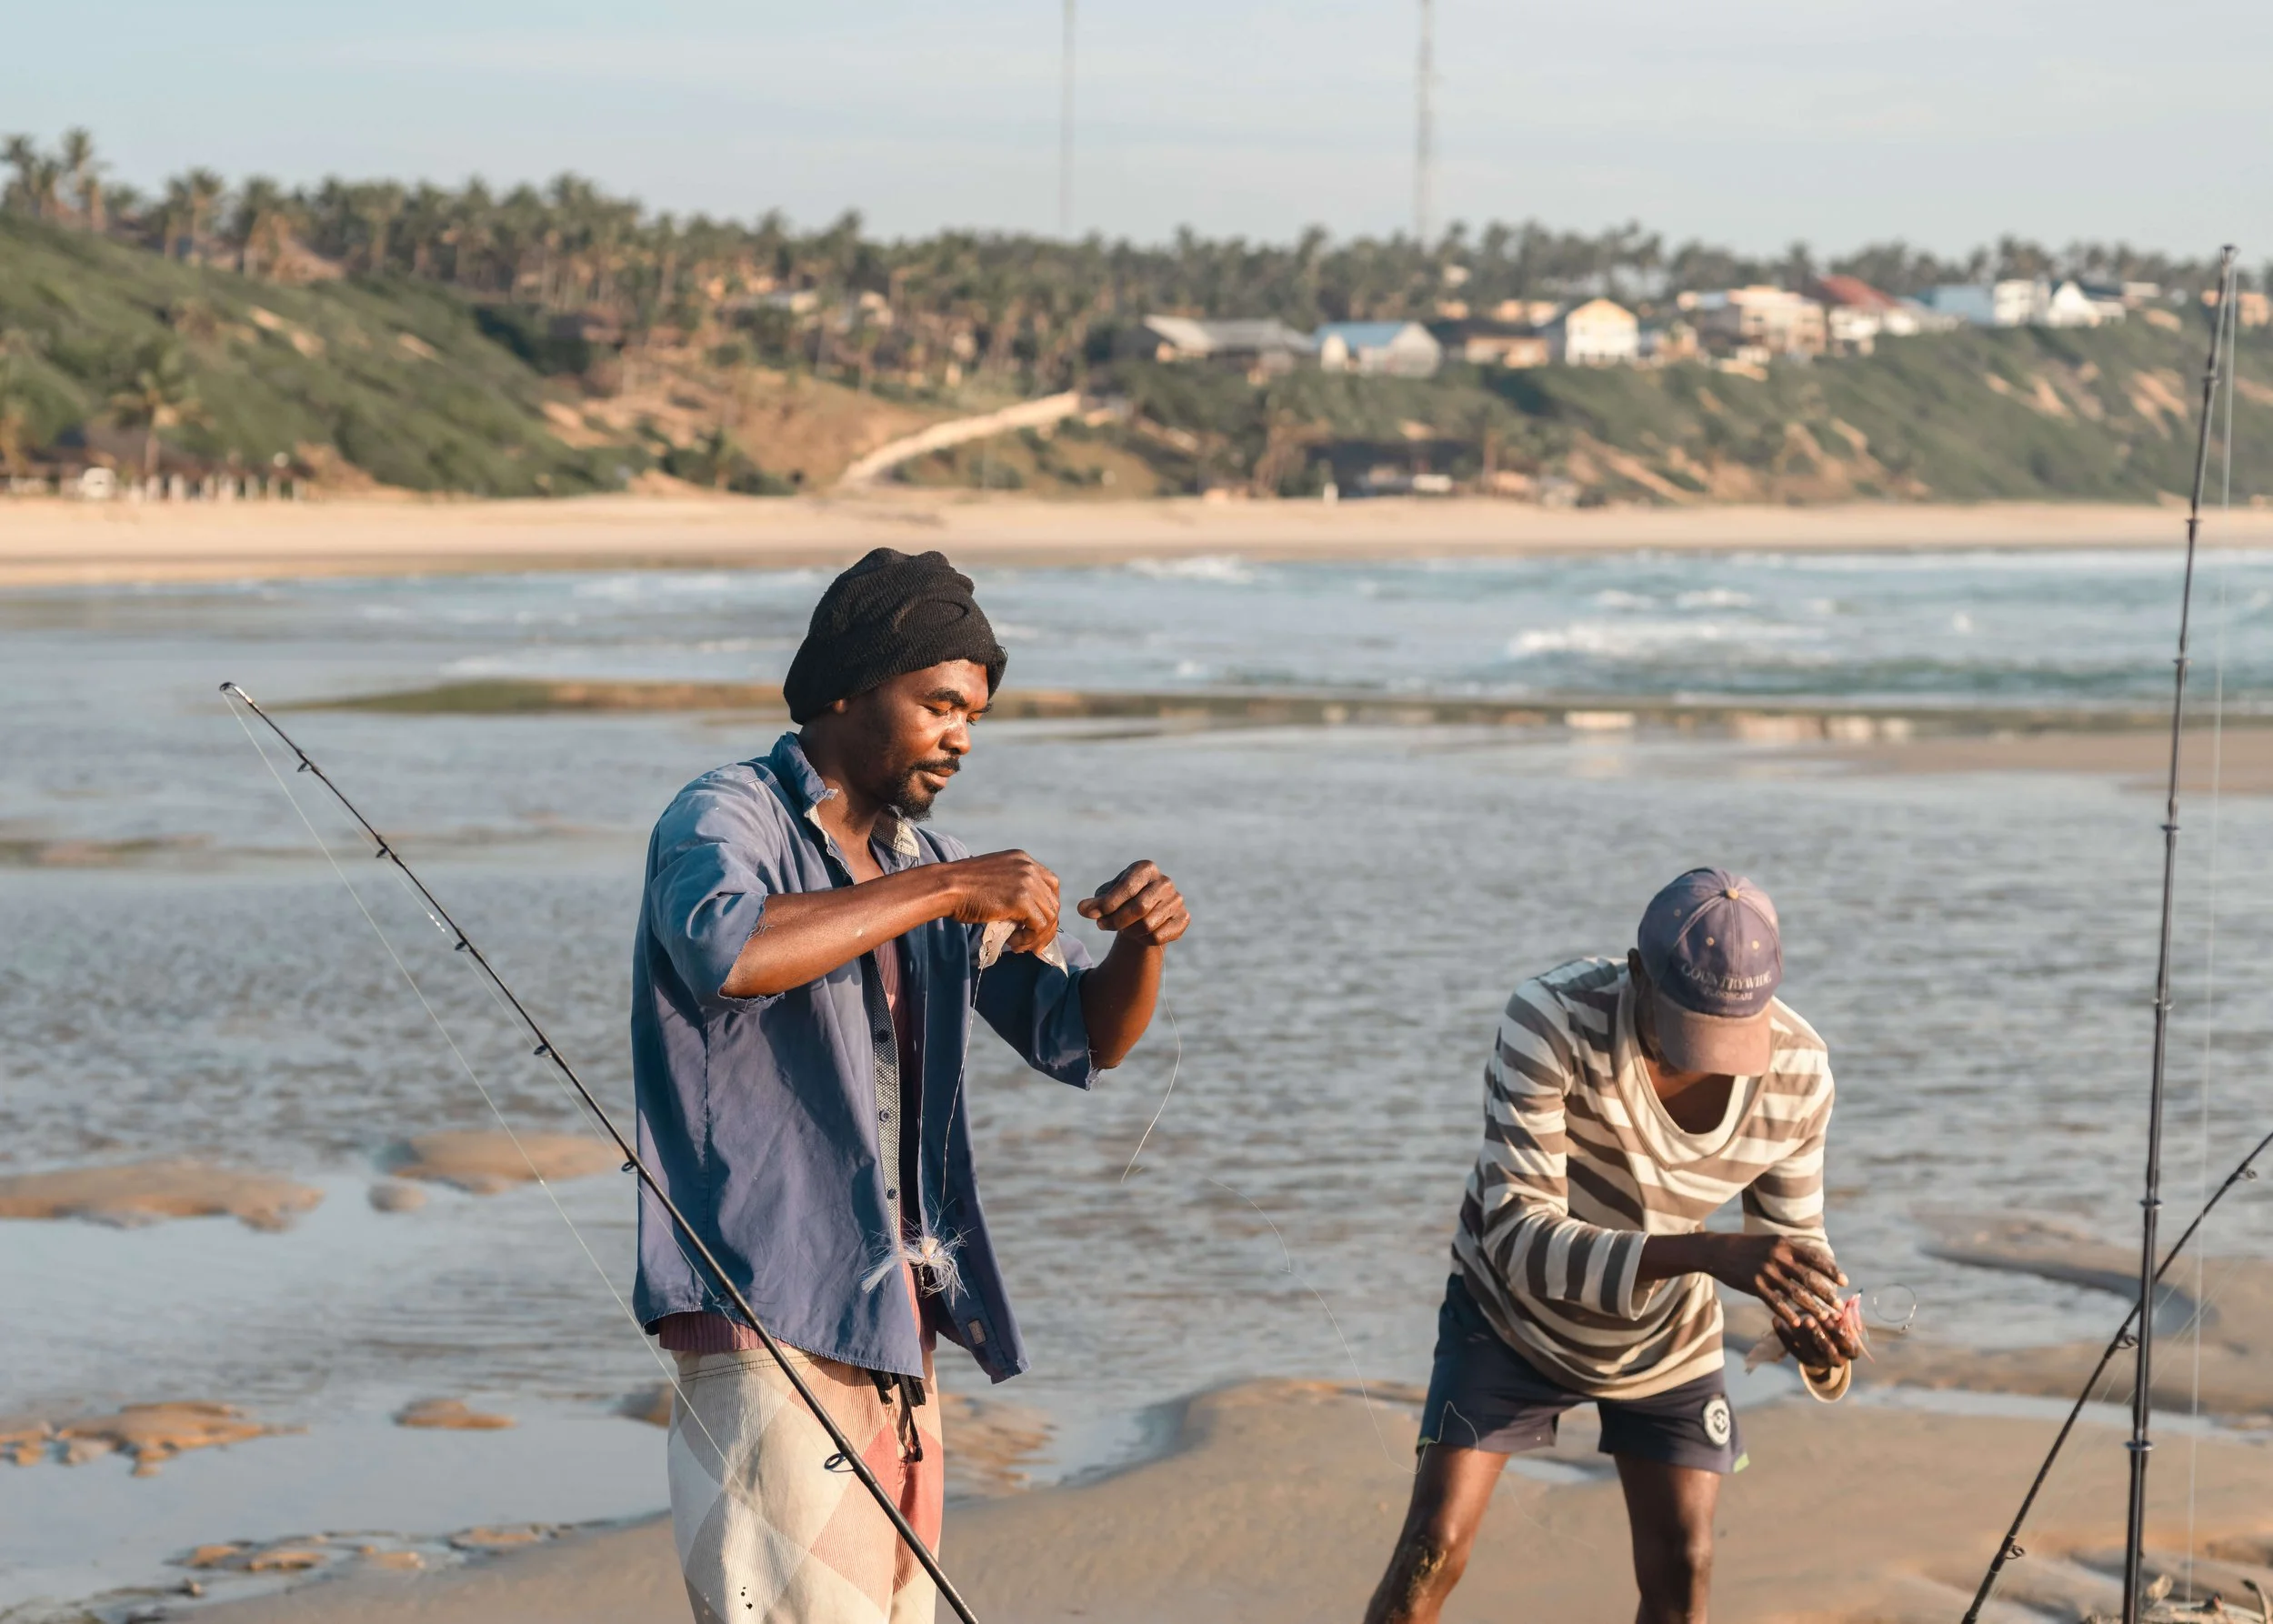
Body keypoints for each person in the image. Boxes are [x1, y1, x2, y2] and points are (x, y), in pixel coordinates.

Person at [630, 547, 1189, 1624]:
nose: (961, 736)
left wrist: (1143, 942)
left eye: (973, 714)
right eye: (939, 704)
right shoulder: (725, 815)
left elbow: (1083, 1035)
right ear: (847, 687)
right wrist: (946, 888)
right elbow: (727, 950)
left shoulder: (921, 858)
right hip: (768, 1318)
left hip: (897, 1326)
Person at [1365, 868, 1860, 1624]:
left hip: (1666, 1340)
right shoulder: (1551, 1019)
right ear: (1637, 973)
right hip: (1509, 1318)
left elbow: (1793, 1245)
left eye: (1732, 1038)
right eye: (1690, 1032)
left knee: (1685, 1568)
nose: (1709, 1060)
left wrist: (1818, 1339)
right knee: (1432, 1550)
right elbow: (1517, 1237)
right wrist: (1704, 1253)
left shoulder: (1799, 1071)